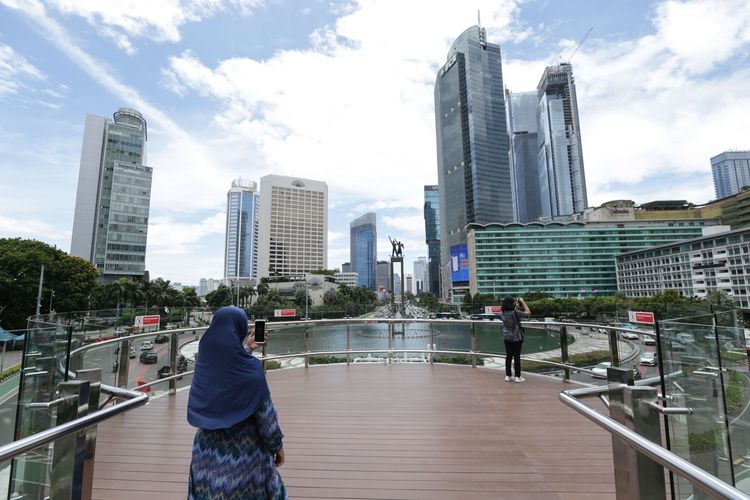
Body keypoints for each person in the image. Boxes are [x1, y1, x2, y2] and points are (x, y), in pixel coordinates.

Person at [187, 306, 287, 499]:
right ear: (240, 329)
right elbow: (266, 418)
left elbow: (229, 373)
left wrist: (247, 348)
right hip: (245, 457)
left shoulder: (205, 367)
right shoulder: (250, 371)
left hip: (205, 454)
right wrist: (277, 447)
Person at [500, 296, 530, 383]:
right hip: (516, 336)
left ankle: (508, 376)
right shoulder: (515, 312)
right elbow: (528, 312)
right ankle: (518, 376)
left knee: (509, 356)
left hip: (507, 336)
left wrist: (516, 306)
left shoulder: (502, 313)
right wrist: (522, 302)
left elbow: (512, 316)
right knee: (517, 356)